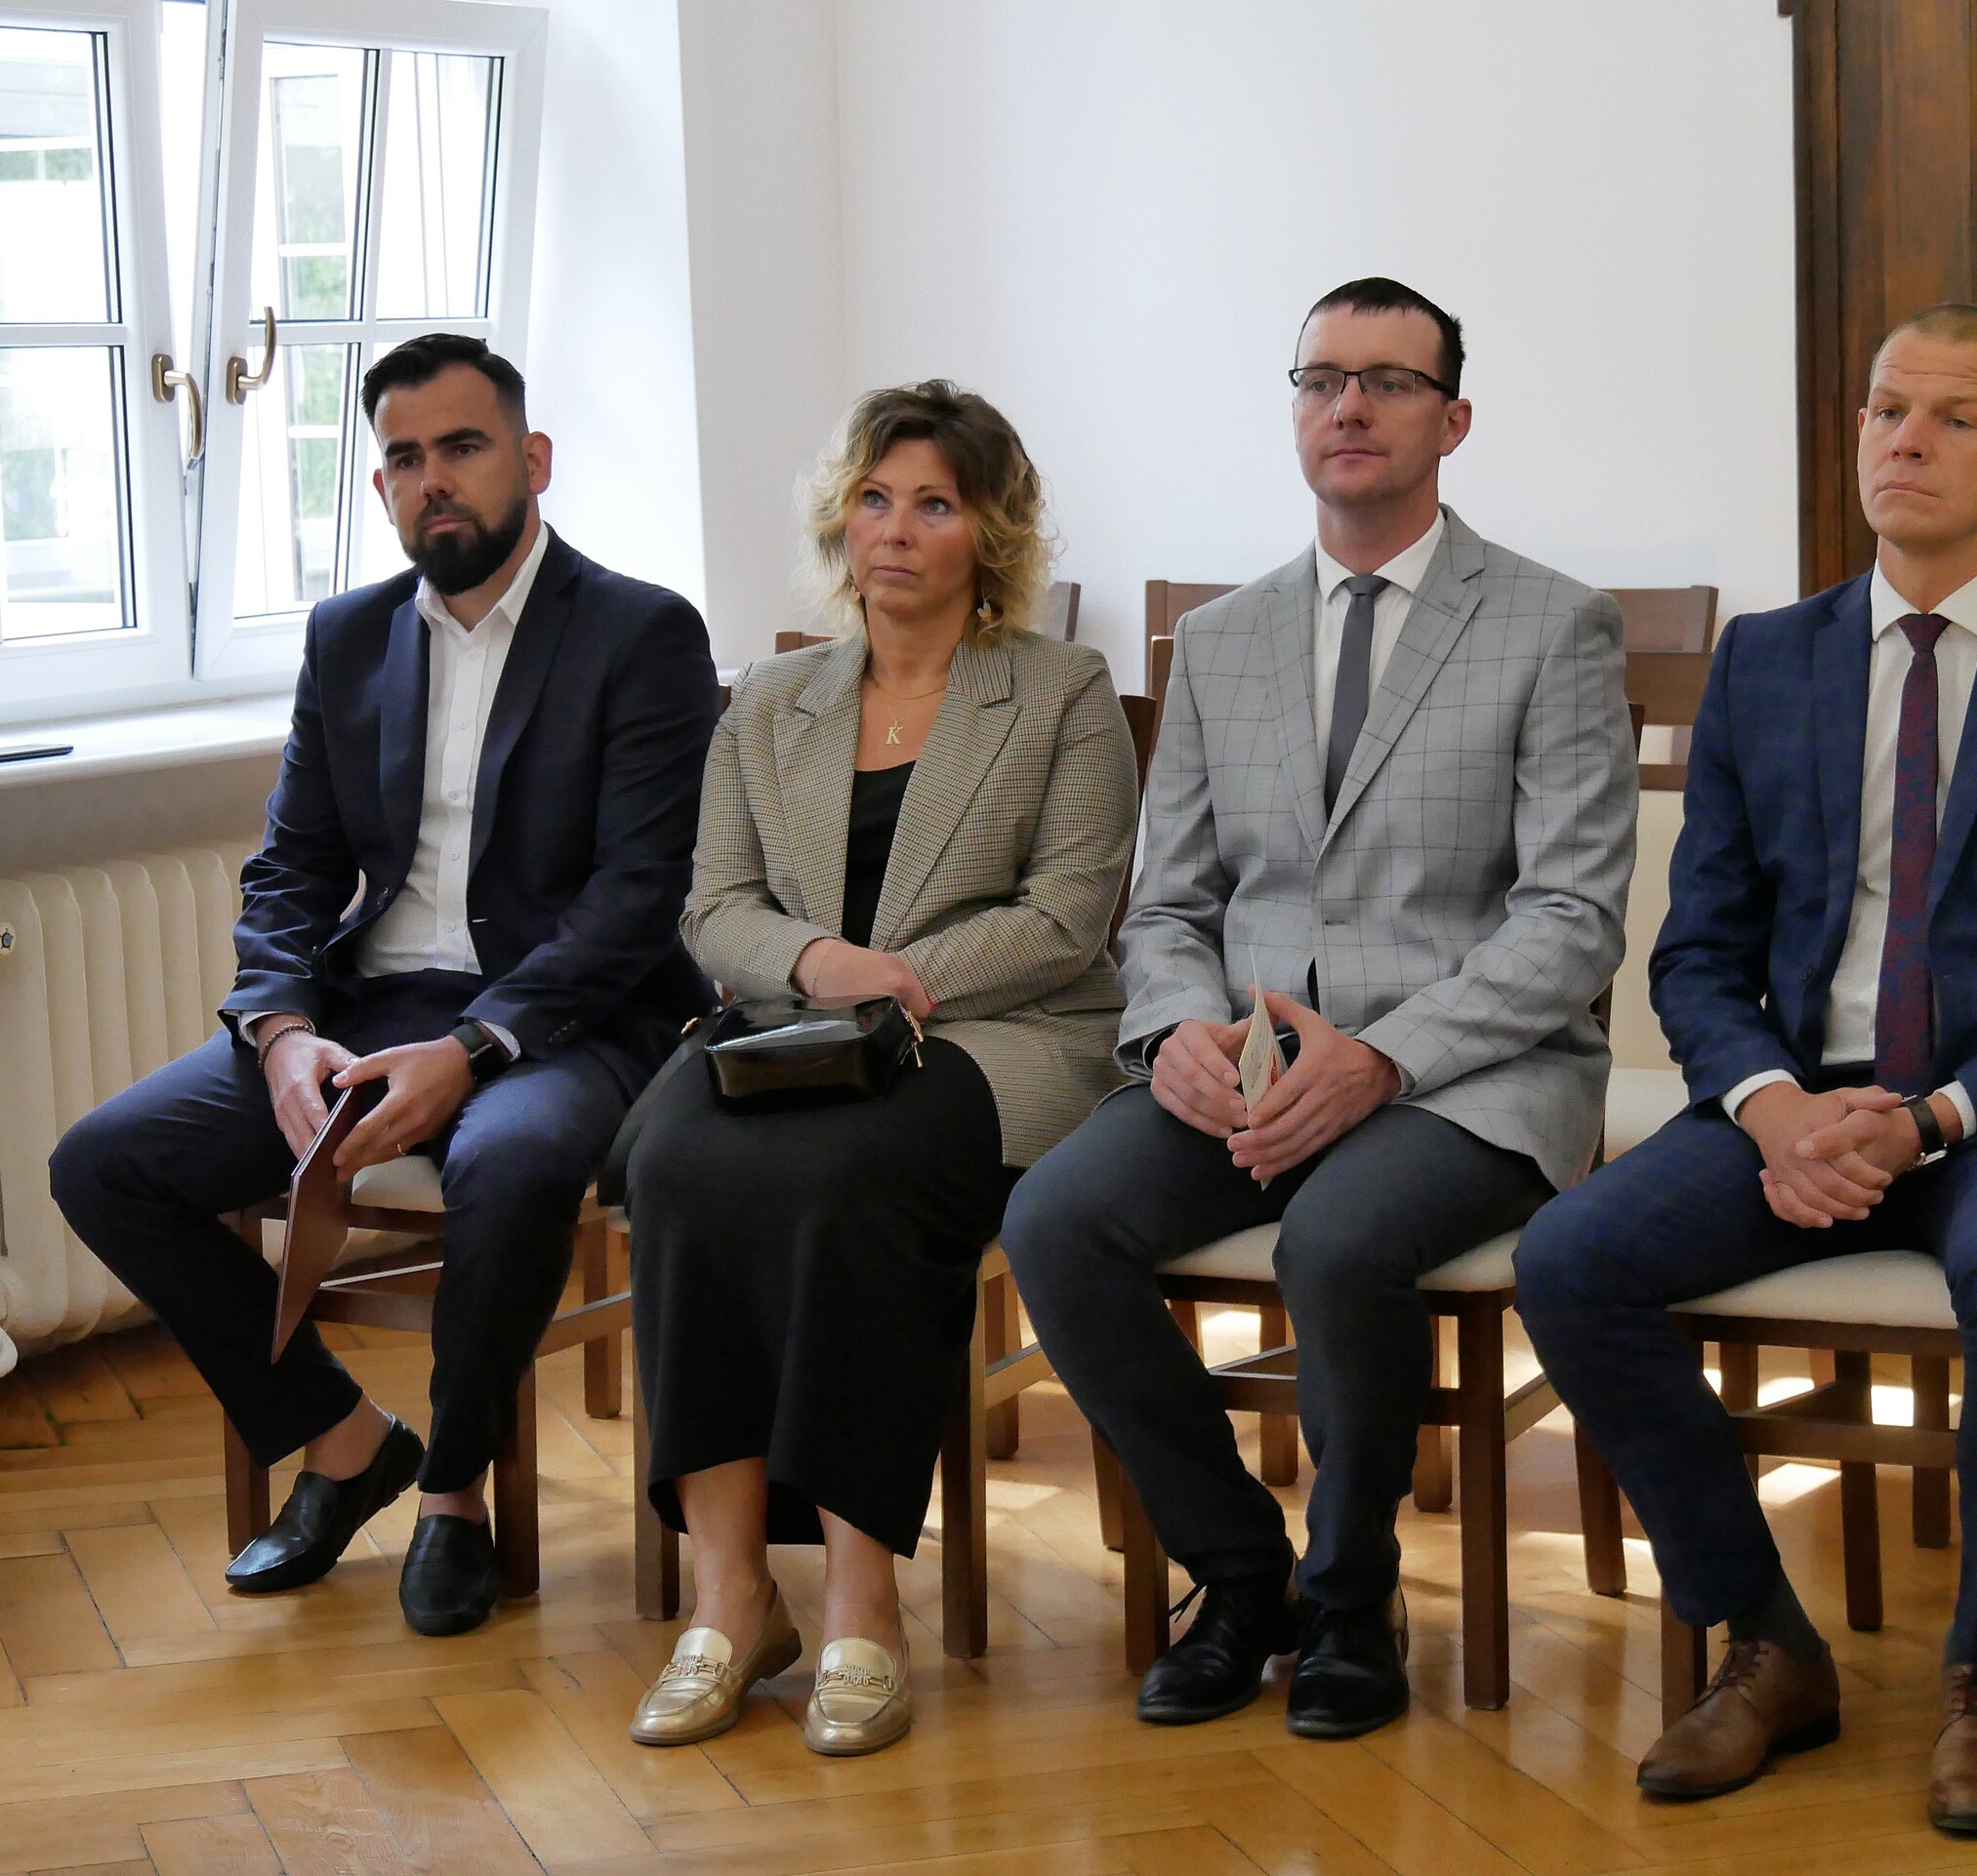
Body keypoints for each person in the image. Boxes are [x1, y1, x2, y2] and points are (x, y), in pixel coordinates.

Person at [1513, 305, 1977, 1836]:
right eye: (1887, 409)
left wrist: (1935, 1116)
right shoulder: (1769, 661)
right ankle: (1768, 1640)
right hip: (1809, 1100)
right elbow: (1697, 955)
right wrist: (1776, 1107)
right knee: (1571, 1257)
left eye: (1956, 418)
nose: (1907, 440)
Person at [1003, 278, 1637, 1742]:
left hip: (1475, 1075)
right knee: (1055, 1221)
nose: (1349, 406)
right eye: (1320, 379)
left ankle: (1353, 1596)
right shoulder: (1220, 639)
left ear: (1452, 421)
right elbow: (1168, 901)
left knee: (1340, 1238)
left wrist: (1385, 1058)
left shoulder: (1553, 624)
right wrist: (1175, 1033)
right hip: (1250, 1066)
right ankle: (1242, 1576)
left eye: (1389, 381)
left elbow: (1572, 920)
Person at [50, 334, 718, 1637]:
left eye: (463, 447)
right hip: (368, 1006)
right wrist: (282, 1030)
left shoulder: (641, 632)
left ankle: (454, 1490)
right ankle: (345, 1439)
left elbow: (640, 895)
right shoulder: (349, 636)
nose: (434, 480)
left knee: (510, 1168)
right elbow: (293, 865)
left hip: (569, 1016)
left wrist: (474, 1048)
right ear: (380, 486)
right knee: (104, 1164)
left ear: (532, 459)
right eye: (405, 459)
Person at [621, 382, 1137, 1757]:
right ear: (840, 520)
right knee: (672, 1163)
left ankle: (862, 1602)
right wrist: (818, 966)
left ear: (990, 535)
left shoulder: (1062, 691)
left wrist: (898, 982)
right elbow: (714, 904)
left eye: (934, 504)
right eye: (874, 498)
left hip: (996, 1034)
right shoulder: (770, 697)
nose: (896, 530)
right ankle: (731, 1599)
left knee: (854, 1179)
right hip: (790, 1036)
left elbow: (1068, 915)